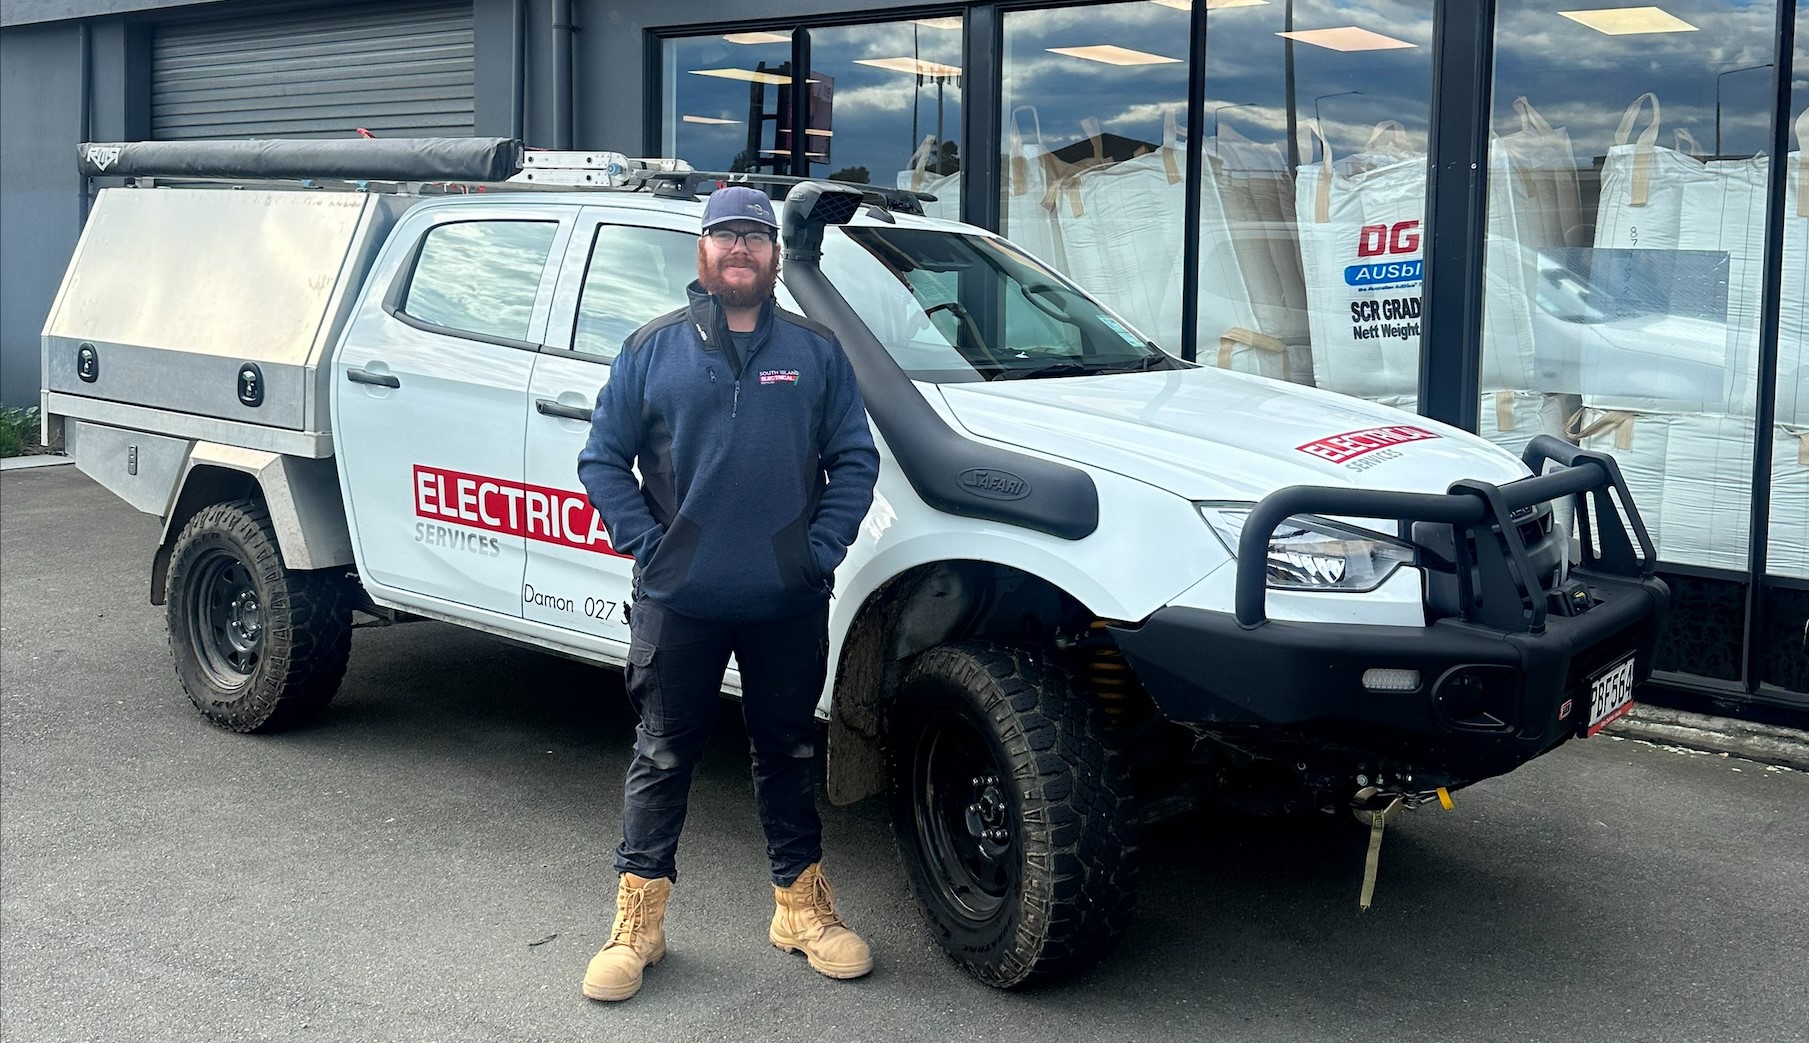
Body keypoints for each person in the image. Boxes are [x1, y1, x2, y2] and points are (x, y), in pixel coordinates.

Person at [575, 185, 881, 1002]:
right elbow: (602, 459)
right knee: (663, 750)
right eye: (724, 236)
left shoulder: (814, 353)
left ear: (774, 256)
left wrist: (816, 552)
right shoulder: (653, 348)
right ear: (701, 255)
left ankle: (800, 909)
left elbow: (854, 460)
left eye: (753, 235)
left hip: (786, 598)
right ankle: (638, 921)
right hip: (681, 600)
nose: (739, 248)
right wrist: (651, 548)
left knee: (788, 751)